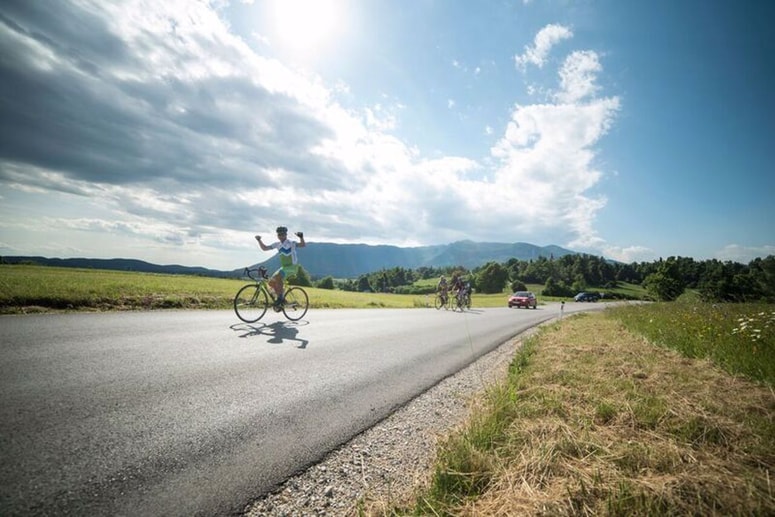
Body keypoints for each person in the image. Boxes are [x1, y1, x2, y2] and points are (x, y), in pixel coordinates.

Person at [255, 226, 306, 308]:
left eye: (282, 234)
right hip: (284, 267)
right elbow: (265, 248)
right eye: (279, 234)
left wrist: (301, 237)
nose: (281, 236)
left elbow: (302, 245)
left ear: (286, 235)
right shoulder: (277, 244)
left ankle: (280, 298)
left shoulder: (291, 243)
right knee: (271, 282)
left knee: (278, 277)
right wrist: (259, 240)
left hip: (292, 267)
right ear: (277, 235)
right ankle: (281, 298)